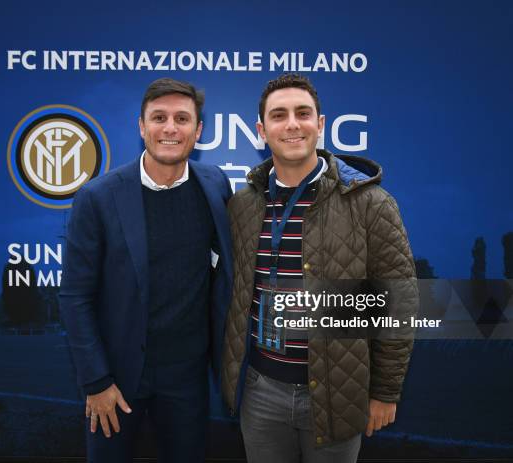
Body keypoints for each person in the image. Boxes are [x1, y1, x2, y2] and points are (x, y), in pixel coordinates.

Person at [221, 73, 419, 463]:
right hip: (260, 394)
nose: (292, 124)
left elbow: (399, 303)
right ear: (262, 130)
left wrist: (385, 391)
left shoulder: (371, 203)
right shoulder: (242, 206)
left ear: (321, 124)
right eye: (279, 115)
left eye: (303, 113)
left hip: (337, 393)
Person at [60, 78, 232, 463]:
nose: (170, 128)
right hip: (116, 381)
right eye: (159, 117)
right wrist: (97, 381)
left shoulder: (216, 185)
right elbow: (75, 297)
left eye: (182, 119)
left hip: (187, 378)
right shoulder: (98, 197)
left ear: (198, 130)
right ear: (141, 126)